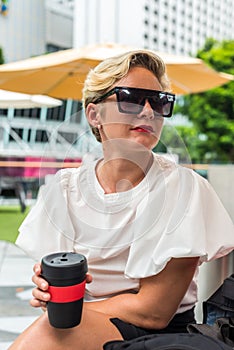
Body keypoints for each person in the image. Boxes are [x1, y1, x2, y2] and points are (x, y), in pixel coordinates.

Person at [10, 49, 234, 350]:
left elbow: (154, 311)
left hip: (155, 335)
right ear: (94, 114)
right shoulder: (64, 188)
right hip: (76, 327)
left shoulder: (182, 188)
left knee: (46, 335)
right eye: (130, 98)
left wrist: (65, 312)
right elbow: (58, 282)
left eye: (159, 102)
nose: (147, 112)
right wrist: (47, 292)